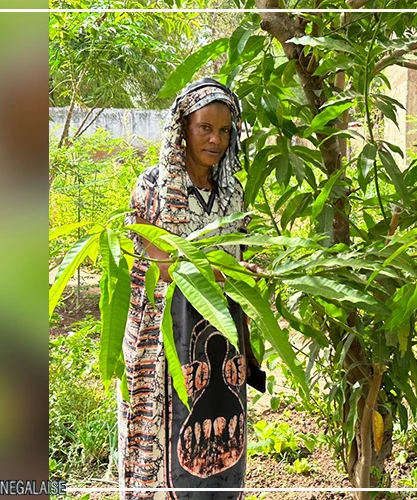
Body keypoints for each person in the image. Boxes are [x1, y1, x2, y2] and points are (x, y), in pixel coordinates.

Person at [118, 78, 265, 499]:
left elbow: (239, 256)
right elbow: (160, 264)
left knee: (219, 432)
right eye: (205, 128)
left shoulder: (232, 193)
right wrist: (226, 273)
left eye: (225, 130)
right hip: (166, 335)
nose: (216, 140)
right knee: (163, 433)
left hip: (220, 337)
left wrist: (248, 337)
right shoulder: (153, 187)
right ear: (183, 127)